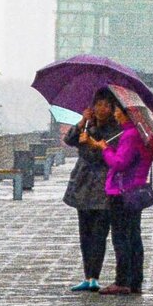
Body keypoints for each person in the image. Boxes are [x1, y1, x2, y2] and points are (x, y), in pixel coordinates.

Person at [62, 93, 123, 292]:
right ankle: (87, 276)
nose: (101, 109)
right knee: (85, 233)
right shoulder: (87, 125)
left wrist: (91, 143)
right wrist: (82, 122)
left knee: (99, 233)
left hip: (103, 185)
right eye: (97, 104)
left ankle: (94, 276)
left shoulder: (115, 130)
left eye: (106, 105)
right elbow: (69, 140)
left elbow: (104, 155)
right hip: (83, 184)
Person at [98, 105, 153, 294]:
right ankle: (135, 280)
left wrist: (105, 149)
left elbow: (119, 163)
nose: (115, 113)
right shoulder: (138, 134)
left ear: (126, 114)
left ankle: (123, 280)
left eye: (117, 110)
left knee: (121, 237)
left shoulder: (130, 135)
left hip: (122, 191)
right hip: (135, 190)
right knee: (134, 236)